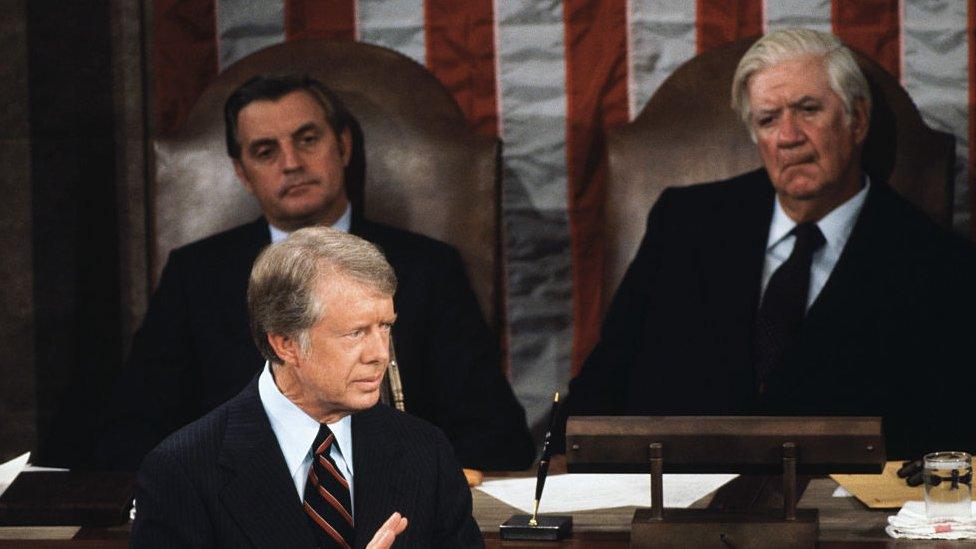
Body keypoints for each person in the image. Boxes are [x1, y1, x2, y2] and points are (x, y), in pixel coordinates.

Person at [564, 28, 976, 458]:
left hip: (844, 517)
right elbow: (601, 387)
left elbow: (949, 447)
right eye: (768, 119)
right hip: (678, 507)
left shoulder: (939, 266)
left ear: (858, 120)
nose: (788, 136)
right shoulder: (684, 225)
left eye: (808, 110)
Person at [95, 74, 534, 472]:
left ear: (342, 147)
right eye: (265, 151)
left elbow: (496, 435)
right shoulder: (195, 276)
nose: (291, 163)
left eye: (307, 140)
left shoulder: (428, 269)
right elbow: (133, 431)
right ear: (242, 173)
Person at [131, 227, 483, 547]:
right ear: (286, 344)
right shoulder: (182, 470)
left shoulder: (426, 454)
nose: (379, 354)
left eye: (386, 327)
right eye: (356, 332)